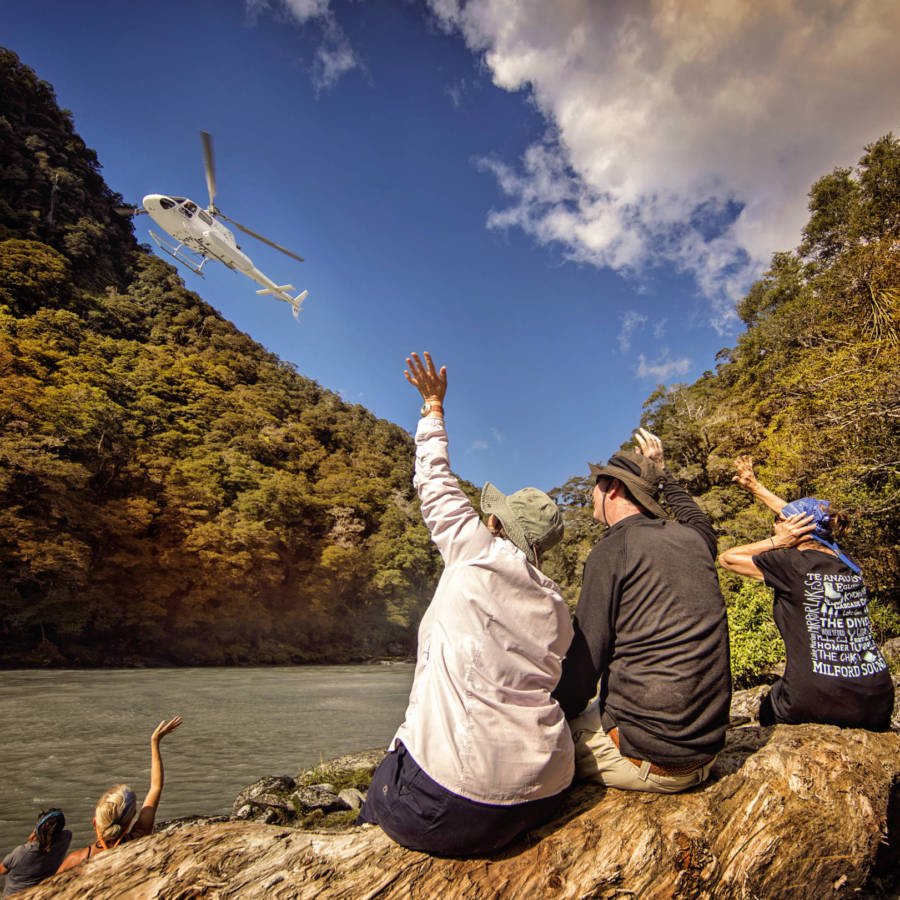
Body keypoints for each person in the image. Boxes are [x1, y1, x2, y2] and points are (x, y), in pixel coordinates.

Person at [357, 352, 574, 856]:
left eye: (491, 515)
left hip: (455, 801)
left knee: (380, 790)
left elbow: (433, 481)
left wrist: (433, 407)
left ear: (497, 525)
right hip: (546, 788)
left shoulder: (475, 550)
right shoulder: (557, 605)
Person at [552, 429, 731, 793]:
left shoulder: (613, 551)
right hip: (707, 752)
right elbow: (696, 518)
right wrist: (662, 474)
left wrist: (548, 713)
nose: (591, 494)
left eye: (595, 486)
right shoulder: (695, 540)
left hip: (650, 760)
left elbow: (584, 667)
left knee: (535, 744)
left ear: (613, 489)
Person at [718, 456, 894, 729]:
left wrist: (778, 540)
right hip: (877, 700)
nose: (776, 521)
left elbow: (727, 558)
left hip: (816, 699)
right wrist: (756, 488)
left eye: (779, 520)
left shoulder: (790, 566)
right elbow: (802, 518)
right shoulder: (847, 563)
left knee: (767, 707)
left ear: (794, 529)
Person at [58, 716, 183, 871]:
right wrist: (155, 742)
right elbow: (155, 786)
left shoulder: (77, 860)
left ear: (95, 821)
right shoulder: (139, 838)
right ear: (131, 820)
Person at [0, 809, 71, 895]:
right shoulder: (66, 838)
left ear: (37, 829)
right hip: (39, 894)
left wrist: (29, 843)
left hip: (14, 896)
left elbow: (2, 870)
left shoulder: (21, 852)